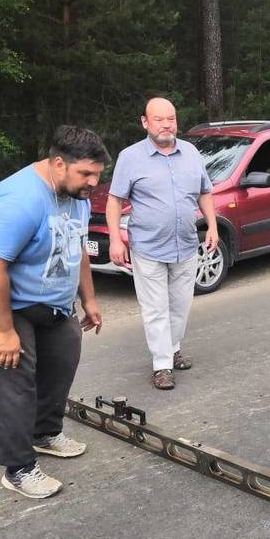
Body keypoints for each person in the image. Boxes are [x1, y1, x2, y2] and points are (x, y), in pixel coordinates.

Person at [0, 126, 110, 498]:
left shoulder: (77, 194)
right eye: (86, 174)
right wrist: (3, 332)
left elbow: (76, 247)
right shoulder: (21, 200)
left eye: (97, 174)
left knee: (65, 348)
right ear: (58, 163)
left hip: (43, 297)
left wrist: (89, 300)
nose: (93, 183)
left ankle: (44, 432)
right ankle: (18, 467)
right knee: (14, 372)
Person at [107, 97, 218, 390]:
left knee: (181, 304)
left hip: (185, 243)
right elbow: (115, 200)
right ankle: (161, 365)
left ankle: (173, 348)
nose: (167, 124)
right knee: (155, 307)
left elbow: (205, 192)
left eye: (171, 118)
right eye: (159, 119)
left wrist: (213, 226)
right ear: (145, 122)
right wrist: (115, 239)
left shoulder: (192, 153)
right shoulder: (130, 157)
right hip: (148, 247)